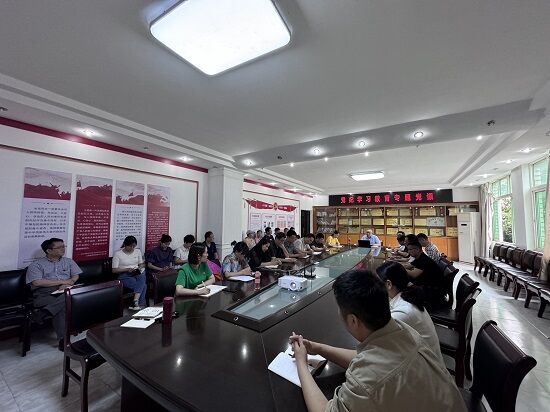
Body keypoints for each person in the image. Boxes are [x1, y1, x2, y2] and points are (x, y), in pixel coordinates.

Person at [289, 269, 466, 412]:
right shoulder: (404, 330)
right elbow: (364, 359)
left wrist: (301, 363)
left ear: (353, 320)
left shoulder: (367, 380)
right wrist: (317, 348)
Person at [376, 261, 445, 367]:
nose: (375, 287)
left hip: (427, 368)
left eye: (377, 283)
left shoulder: (403, 313)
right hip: (426, 360)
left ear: (389, 284)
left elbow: (376, 345)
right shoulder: (408, 295)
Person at [26, 238, 82, 351]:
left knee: (70, 296)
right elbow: (37, 282)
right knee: (65, 302)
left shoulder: (68, 261)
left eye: (63, 246)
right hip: (44, 294)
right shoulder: (36, 265)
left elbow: (76, 275)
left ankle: (43, 314)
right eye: (59, 247)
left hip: (66, 289)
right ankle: (63, 340)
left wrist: (70, 282)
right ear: (49, 250)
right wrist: (63, 282)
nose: (63, 249)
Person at [401, 241, 446, 308]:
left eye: (410, 249)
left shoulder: (424, 260)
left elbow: (414, 274)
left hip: (433, 291)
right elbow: (408, 266)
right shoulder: (419, 257)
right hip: (426, 285)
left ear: (417, 249)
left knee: (402, 287)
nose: (408, 251)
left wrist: (399, 268)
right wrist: (396, 264)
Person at [112, 236, 147, 310]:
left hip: (136, 273)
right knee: (143, 286)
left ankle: (135, 303)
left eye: (134, 246)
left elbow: (141, 264)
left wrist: (140, 267)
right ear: (125, 244)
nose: (132, 248)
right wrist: (127, 269)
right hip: (124, 275)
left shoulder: (138, 251)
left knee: (142, 273)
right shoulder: (118, 254)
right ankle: (139, 304)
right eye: (130, 246)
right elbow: (114, 270)